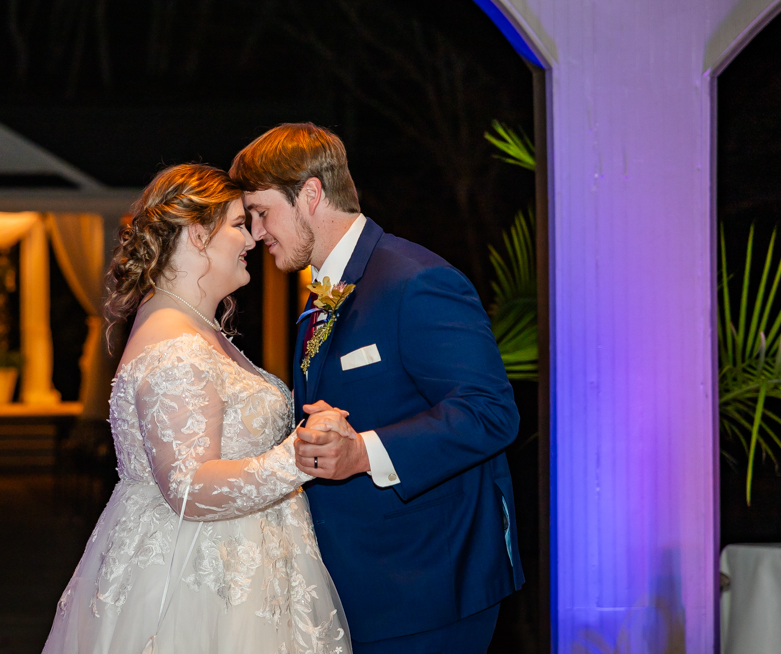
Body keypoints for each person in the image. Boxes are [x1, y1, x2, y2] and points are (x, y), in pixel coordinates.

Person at [230, 123, 525, 654]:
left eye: (261, 212)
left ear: (311, 194)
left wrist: (363, 452)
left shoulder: (417, 281)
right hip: (364, 585)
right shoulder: (319, 301)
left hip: (430, 585)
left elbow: (490, 413)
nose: (255, 232)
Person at [41, 163, 350, 654]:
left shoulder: (192, 327)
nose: (251, 239)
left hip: (238, 573)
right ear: (196, 234)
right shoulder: (175, 346)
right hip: (197, 582)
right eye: (237, 224)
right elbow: (187, 490)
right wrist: (298, 455)